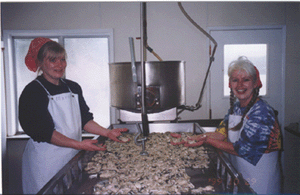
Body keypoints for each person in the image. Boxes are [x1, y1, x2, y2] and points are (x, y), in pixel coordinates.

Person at [19, 37, 129, 194]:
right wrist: (80, 145)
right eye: (52, 60)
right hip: (46, 162)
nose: (60, 65)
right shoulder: (33, 92)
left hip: (71, 157)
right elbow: (44, 132)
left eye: (62, 59)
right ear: (40, 63)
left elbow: (84, 119)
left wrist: (107, 132)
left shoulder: (73, 87)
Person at [185, 56, 282, 194]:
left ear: (255, 83)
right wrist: (191, 138)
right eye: (235, 80)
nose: (240, 85)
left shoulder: (262, 113)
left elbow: (243, 150)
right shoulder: (236, 108)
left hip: (261, 182)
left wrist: (206, 140)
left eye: (246, 80)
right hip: (241, 176)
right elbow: (220, 133)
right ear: (230, 84)